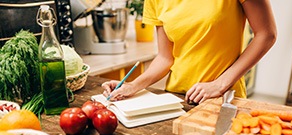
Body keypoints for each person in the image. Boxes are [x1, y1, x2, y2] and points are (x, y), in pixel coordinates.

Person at [102, 0, 277, 104]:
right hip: (177, 99)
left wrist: (219, 84)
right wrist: (133, 86)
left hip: (223, 99)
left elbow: (266, 34)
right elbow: (165, 57)